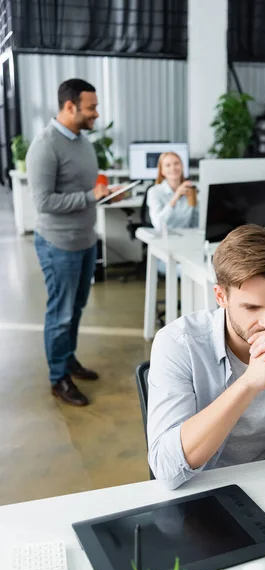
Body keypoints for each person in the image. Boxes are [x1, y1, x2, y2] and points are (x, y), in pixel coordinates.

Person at [147, 224, 265, 490]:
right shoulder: (178, 343)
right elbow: (166, 470)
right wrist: (248, 384)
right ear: (221, 296)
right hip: (206, 491)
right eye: (252, 307)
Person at [26, 78, 114, 407]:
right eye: (91, 107)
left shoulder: (81, 140)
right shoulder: (45, 146)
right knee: (61, 313)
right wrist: (89, 196)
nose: (96, 113)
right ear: (69, 107)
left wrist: (102, 193)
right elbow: (44, 202)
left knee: (75, 309)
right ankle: (57, 377)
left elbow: (83, 187)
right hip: (58, 243)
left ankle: (68, 359)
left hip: (85, 239)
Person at [147, 152, 198, 231]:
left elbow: (196, 224)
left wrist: (196, 199)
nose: (173, 168)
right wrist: (175, 197)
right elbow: (159, 225)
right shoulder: (154, 192)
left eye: (176, 163)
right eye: (168, 165)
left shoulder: (189, 189)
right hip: (164, 239)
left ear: (182, 166)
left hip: (186, 238)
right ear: (162, 171)